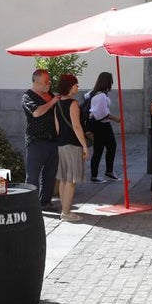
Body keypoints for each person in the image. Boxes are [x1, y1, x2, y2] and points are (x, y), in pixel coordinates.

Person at [21, 68, 62, 211]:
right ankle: (30, 205)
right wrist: (52, 103)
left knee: (50, 174)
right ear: (37, 81)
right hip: (36, 141)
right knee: (33, 174)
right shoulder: (28, 96)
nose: (49, 83)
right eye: (46, 81)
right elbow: (36, 113)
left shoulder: (49, 94)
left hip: (53, 140)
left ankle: (45, 202)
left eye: (49, 80)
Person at [54, 73, 90, 221]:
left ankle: (65, 209)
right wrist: (85, 146)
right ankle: (66, 213)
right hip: (73, 144)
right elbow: (76, 126)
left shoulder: (57, 103)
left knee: (63, 178)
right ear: (70, 87)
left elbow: (57, 126)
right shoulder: (73, 103)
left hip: (61, 143)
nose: (77, 86)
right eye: (76, 84)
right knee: (71, 180)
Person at [84, 71, 120, 183]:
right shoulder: (101, 96)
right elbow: (102, 114)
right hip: (100, 125)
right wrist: (117, 119)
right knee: (99, 149)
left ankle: (109, 171)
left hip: (102, 124)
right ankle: (94, 175)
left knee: (111, 146)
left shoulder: (92, 93)